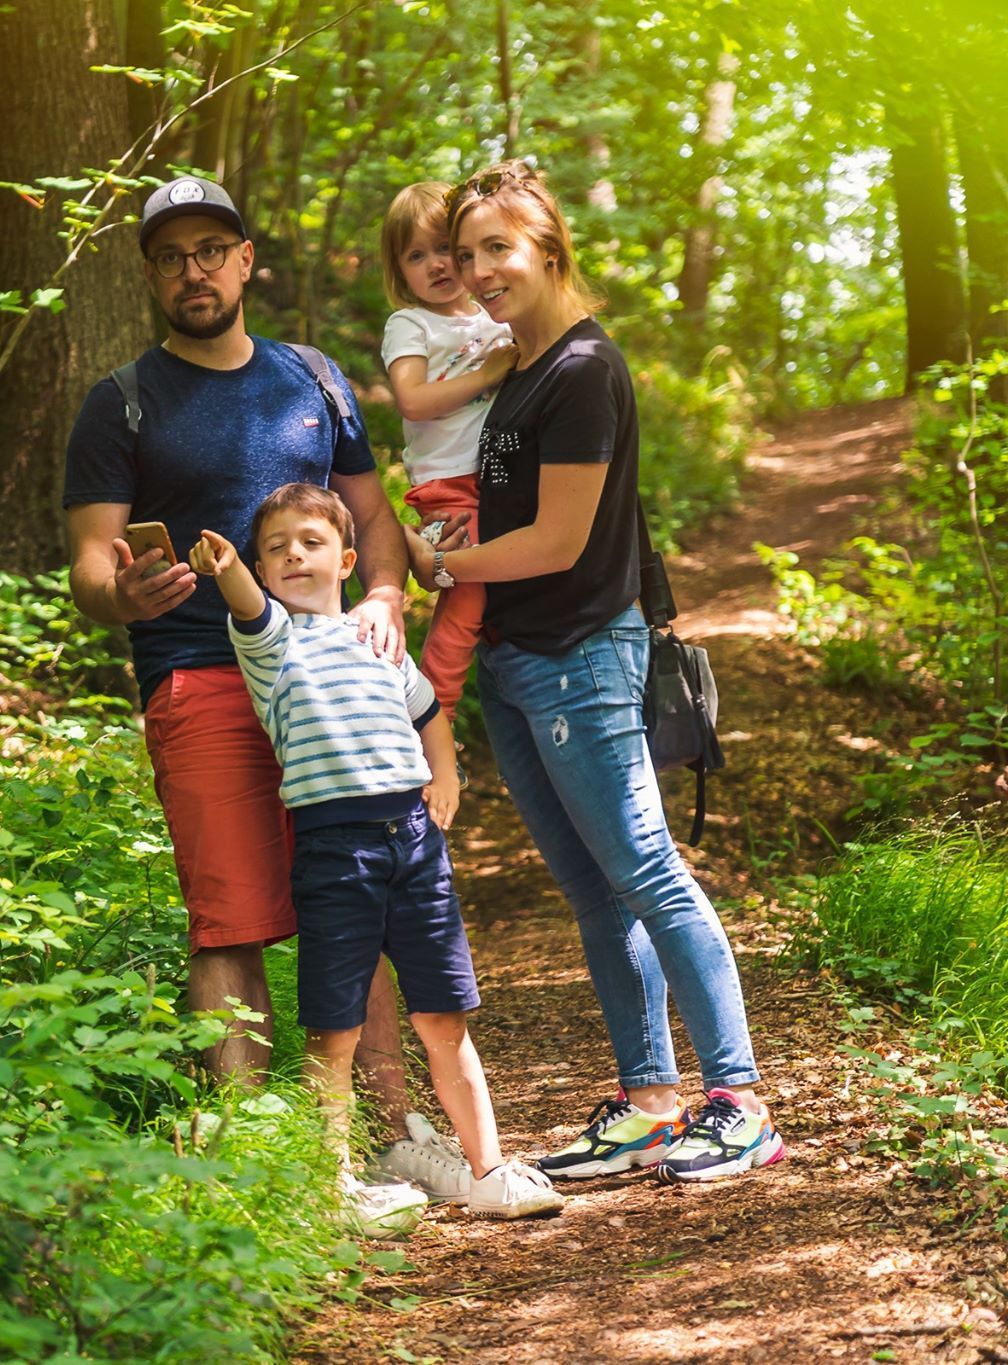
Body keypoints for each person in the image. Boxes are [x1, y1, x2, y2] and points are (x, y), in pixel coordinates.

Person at [62, 174, 470, 1199]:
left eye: (210, 250)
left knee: (360, 903)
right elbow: (87, 568)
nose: (190, 271)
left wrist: (382, 594)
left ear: (245, 261)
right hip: (200, 677)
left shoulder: (312, 380)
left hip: (338, 685)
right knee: (230, 921)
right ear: (150, 275)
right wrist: (129, 594)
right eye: (169, 256)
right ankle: (265, 1166)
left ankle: (388, 1135)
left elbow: (371, 516)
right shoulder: (119, 403)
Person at [406, 160, 785, 1182]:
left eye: (498, 249)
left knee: (647, 873)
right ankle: (648, 1099)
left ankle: (736, 1099)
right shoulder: (521, 368)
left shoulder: (579, 370)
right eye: (465, 253)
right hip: (516, 661)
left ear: (548, 247)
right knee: (592, 891)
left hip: (577, 654)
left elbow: (559, 539)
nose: (479, 271)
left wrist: (436, 562)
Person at [186, 486, 563, 1220]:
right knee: (336, 1027)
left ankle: (488, 1170)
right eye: (276, 548)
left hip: (414, 844)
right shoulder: (272, 644)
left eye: (311, 541)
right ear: (264, 571)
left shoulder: (378, 639)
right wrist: (227, 563)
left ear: (347, 559)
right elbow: (243, 601)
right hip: (335, 848)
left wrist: (445, 774)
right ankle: (333, 1188)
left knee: (445, 1014)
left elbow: (429, 715)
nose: (294, 553)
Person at [379, 181, 515, 719]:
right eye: (416, 255)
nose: (435, 265)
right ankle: (433, 712)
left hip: (498, 475)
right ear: (399, 270)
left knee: (503, 588)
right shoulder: (411, 324)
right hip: (449, 482)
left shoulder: (493, 317)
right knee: (468, 594)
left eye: (445, 249)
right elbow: (412, 400)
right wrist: (487, 373)